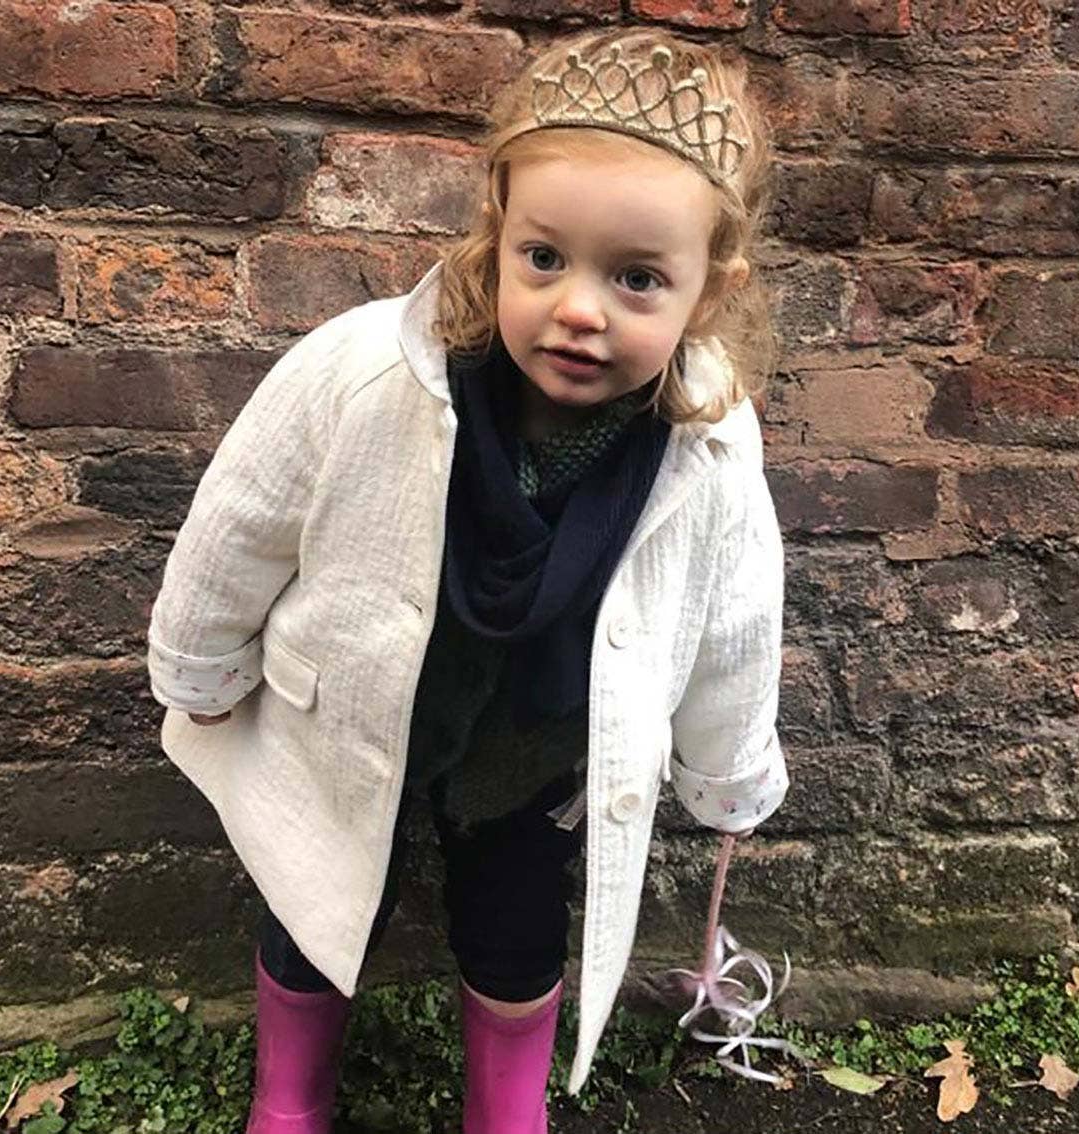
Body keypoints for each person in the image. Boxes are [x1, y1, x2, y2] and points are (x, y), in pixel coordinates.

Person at [146, 27, 788, 1134]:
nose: (581, 309)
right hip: (352, 719)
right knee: (316, 899)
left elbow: (734, 611)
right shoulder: (363, 372)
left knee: (518, 929)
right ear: (498, 234)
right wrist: (202, 663)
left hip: (534, 749)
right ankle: (290, 1095)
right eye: (546, 259)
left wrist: (726, 767)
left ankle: (505, 1109)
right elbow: (247, 514)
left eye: (637, 279)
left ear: (709, 289)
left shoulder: (710, 444)